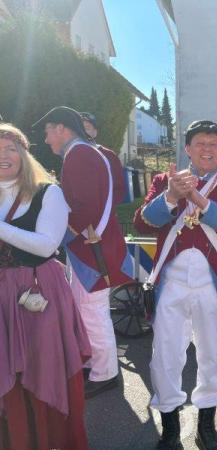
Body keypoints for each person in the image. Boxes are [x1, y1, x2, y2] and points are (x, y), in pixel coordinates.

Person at [134, 120, 217, 449]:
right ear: (187, 148)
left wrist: (198, 198)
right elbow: (143, 222)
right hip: (170, 284)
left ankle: (206, 426)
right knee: (165, 356)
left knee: (212, 355)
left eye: (214, 144)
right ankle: (170, 426)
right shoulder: (165, 181)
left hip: (212, 285)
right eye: (200, 143)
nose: (207, 149)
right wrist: (172, 195)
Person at [0, 123, 91, 449]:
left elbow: (46, 244)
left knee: (42, 367)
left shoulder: (48, 193)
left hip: (38, 290)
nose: (3, 155)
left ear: (24, 154)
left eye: (10, 149)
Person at [33, 106, 134, 398]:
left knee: (91, 311)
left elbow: (84, 209)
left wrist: (53, 237)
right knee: (88, 309)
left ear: (61, 128)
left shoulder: (79, 155)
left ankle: (104, 373)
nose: (47, 139)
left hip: (91, 250)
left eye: (48, 132)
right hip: (93, 247)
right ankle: (95, 366)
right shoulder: (86, 153)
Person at [80, 111, 126, 204]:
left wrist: (102, 205)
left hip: (101, 210)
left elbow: (119, 190)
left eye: (87, 128)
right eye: (79, 128)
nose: (82, 132)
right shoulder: (70, 155)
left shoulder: (109, 156)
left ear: (95, 132)